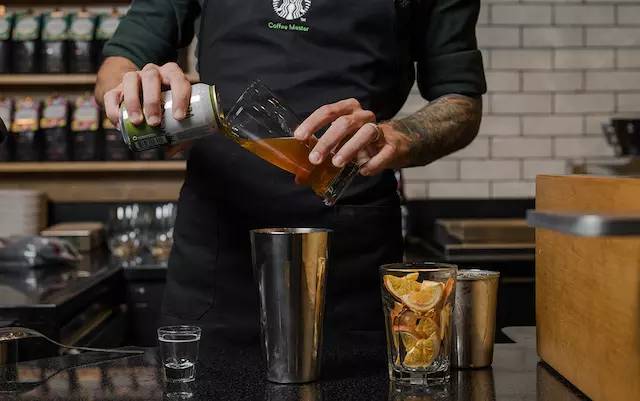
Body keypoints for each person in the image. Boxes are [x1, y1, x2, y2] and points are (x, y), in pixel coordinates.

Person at [96, 0, 486, 342]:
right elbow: (119, 62)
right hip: (216, 253)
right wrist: (131, 91)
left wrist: (395, 136)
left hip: (351, 253)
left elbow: (461, 103)